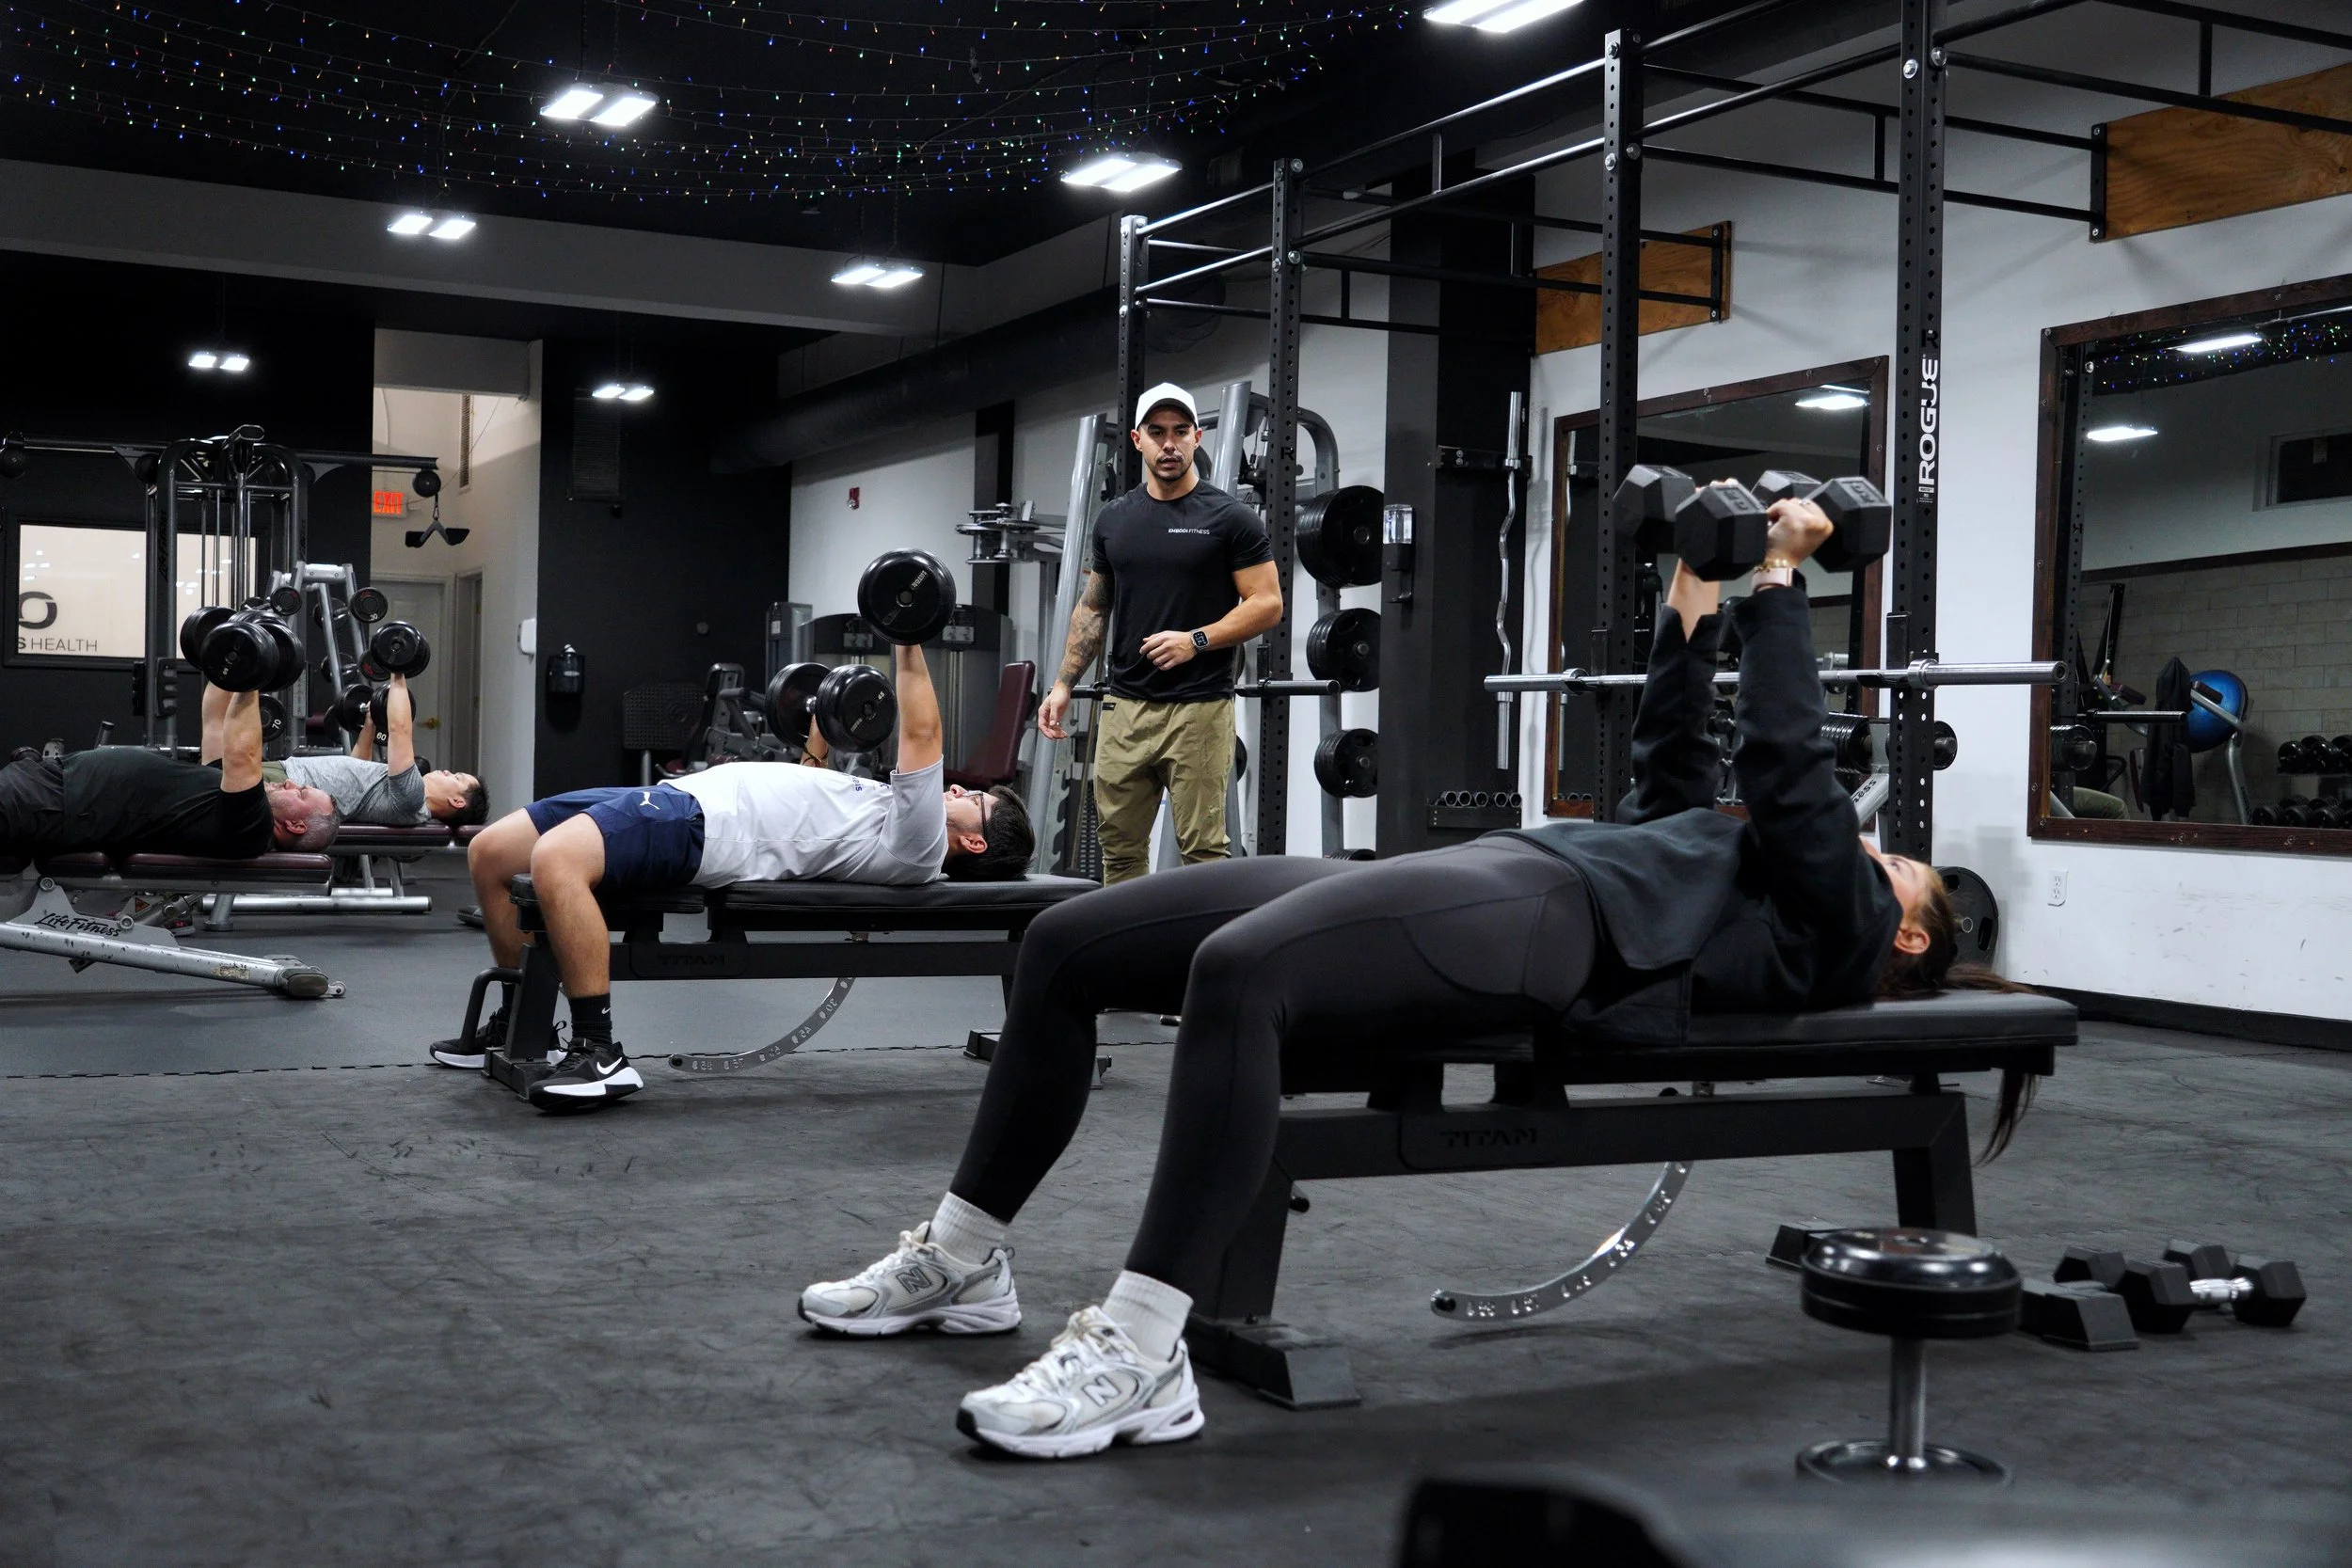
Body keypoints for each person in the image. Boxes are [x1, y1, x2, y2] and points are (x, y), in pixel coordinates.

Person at [802, 492, 2029, 1460]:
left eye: (1903, 862)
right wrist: (1692, 590)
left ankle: (1143, 1347)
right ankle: (963, 1257)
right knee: (1066, 940)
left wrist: (1779, 575)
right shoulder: (1744, 865)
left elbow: (1785, 762)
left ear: (1907, 931)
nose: (1877, 849)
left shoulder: (1841, 916)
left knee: (1241, 971)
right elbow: (1671, 759)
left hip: (1558, 927)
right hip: (1512, 871)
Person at [434, 641, 1035, 1110]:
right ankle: (517, 1022)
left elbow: (924, 732)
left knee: (554, 862)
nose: (956, 788)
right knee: (490, 851)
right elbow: (810, 800)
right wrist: (822, 732)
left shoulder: (922, 844)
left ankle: (598, 1051)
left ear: (973, 840)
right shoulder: (895, 822)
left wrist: (907, 639)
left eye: (972, 799)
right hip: (681, 795)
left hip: (707, 824)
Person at [1036, 383, 1282, 883]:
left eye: (1178, 433)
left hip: (1199, 709)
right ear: (1137, 440)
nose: (1168, 444)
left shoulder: (1230, 518)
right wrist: (1063, 683)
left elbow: (1268, 603)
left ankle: (1200, 960)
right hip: (1124, 709)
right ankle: (1127, 958)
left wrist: (1197, 639)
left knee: (1204, 854)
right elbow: (1094, 607)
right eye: (1156, 433)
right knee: (1119, 854)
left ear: (1196, 437)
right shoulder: (1115, 520)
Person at [0, 682, 339, 862]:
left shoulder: (251, 829)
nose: (291, 783)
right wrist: (230, 667)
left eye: (302, 793)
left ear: (295, 824)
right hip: (55, 785)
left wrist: (251, 680)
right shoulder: (228, 805)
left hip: (59, 804)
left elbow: (244, 751)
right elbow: (216, 726)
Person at [271, 672, 486, 828]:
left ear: (457, 802)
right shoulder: (407, 800)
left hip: (287, 783)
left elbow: (399, 729)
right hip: (288, 775)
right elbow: (358, 768)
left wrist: (398, 669)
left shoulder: (413, 798)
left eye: (457, 778)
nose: (448, 771)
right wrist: (370, 724)